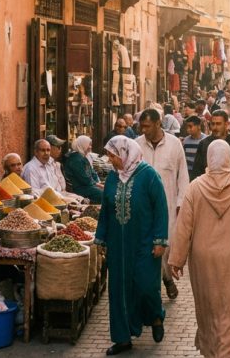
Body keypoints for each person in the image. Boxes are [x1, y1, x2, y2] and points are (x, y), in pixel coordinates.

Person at [168, 140, 230, 358]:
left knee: (208, 310)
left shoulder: (195, 188)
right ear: (229, 158)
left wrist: (177, 259)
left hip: (204, 260)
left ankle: (212, 352)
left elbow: (184, 226)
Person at [94, 136, 169, 355]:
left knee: (146, 286)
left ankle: (155, 317)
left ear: (126, 153)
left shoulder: (149, 176)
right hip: (118, 246)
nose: (111, 161)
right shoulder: (112, 178)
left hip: (145, 243)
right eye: (109, 156)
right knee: (118, 291)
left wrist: (160, 240)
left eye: (114, 156)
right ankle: (122, 338)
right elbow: (106, 210)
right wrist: (101, 239)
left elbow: (161, 209)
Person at [135, 108, 190, 300]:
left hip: (168, 204)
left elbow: (182, 175)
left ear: (159, 124)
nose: (144, 130)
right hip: (142, 206)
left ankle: (166, 278)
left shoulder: (175, 145)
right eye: (141, 126)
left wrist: (181, 201)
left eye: (147, 126)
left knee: (165, 244)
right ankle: (163, 282)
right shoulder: (137, 145)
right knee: (147, 245)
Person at [193, 110, 230, 180]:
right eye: (213, 124)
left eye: (218, 124)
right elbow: (197, 171)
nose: (215, 127)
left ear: (226, 124)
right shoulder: (204, 144)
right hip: (209, 186)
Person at [62, 136, 103, 203]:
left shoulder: (82, 156)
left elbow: (92, 172)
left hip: (87, 186)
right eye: (89, 145)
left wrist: (98, 183)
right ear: (83, 145)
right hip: (80, 188)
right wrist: (98, 185)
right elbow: (85, 179)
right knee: (103, 194)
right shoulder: (76, 159)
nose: (90, 147)